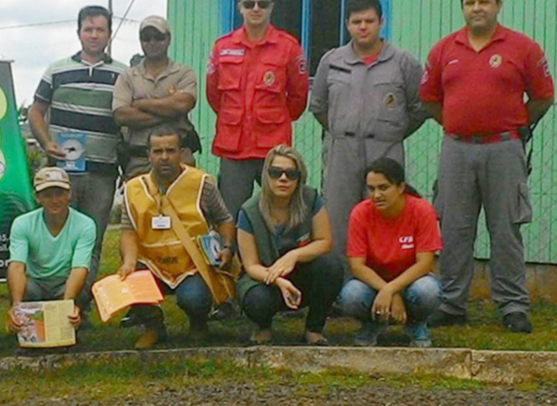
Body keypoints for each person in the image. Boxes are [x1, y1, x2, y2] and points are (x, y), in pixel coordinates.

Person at [419, 0, 554, 333]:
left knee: (506, 228)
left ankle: (512, 305)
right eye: (470, 2)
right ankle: (451, 303)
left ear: (498, 5)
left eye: (484, 1)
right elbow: (430, 99)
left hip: (504, 149)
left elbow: (543, 96)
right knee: (453, 228)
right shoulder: (444, 50)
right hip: (457, 151)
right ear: (462, 7)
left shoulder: (523, 48)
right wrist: (457, 122)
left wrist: (517, 126)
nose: (476, 8)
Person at [310, 0, 427, 260]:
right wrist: (342, 129)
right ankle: (341, 292)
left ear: (381, 22)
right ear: (347, 25)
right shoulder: (332, 60)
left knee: (385, 217)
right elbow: (318, 107)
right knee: (340, 219)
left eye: (369, 21)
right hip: (342, 150)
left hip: (386, 150)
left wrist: (393, 132)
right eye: (356, 21)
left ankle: (382, 289)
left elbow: (420, 108)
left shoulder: (403, 62)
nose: (363, 27)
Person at [28, 6, 127, 309]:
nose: (94, 35)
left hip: (103, 171)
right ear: (78, 32)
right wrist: (46, 143)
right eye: (88, 29)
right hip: (63, 171)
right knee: (57, 235)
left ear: (109, 34)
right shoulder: (56, 69)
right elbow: (35, 111)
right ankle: (50, 300)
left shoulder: (123, 74)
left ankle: (77, 307)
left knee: (92, 239)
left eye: (100, 29)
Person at [118, 126, 236, 349]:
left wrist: (227, 247)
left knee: (195, 299)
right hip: (151, 263)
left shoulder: (202, 183)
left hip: (191, 264)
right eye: (158, 151)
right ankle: (154, 327)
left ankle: (199, 324)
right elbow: (128, 230)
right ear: (148, 155)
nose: (164, 157)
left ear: (181, 153)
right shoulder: (133, 189)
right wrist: (129, 263)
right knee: (129, 280)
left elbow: (225, 219)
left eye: (170, 151)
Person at [206, 0, 309, 218]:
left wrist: (277, 118)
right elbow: (214, 96)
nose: (256, 9)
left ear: (271, 7)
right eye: (249, 3)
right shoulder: (223, 47)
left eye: (262, 3)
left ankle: (280, 256)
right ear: (240, 7)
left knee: (281, 211)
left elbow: (298, 97)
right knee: (229, 215)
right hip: (234, 148)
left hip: (273, 147)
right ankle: (232, 255)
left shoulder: (288, 47)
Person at [237, 145, 344, 345]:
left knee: (331, 266)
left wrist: (293, 256)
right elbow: (251, 265)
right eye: (276, 172)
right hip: (265, 278)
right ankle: (263, 327)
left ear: (299, 177)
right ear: (266, 175)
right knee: (257, 301)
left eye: (291, 173)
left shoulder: (311, 198)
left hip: (301, 272)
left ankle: (314, 329)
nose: (283, 179)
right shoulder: (248, 211)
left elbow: (325, 241)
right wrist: (278, 280)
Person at [338, 158, 442, 348]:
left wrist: (391, 289)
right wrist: (387, 291)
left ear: (400, 187)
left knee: (428, 291)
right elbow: (357, 265)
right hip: (373, 285)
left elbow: (425, 263)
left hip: (412, 283)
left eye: (383, 187)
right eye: (371, 189)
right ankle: (372, 323)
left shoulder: (422, 210)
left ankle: (416, 323)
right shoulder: (360, 213)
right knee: (351, 295)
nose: (376, 195)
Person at [5, 167, 92, 334]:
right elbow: (17, 266)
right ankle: (21, 323)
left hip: (64, 282)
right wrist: (17, 305)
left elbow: (79, 268)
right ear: (37, 197)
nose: (54, 200)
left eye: (59, 193)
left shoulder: (85, 225)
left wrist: (67, 304)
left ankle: (73, 320)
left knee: (86, 285)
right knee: (23, 287)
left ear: (69, 194)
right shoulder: (22, 223)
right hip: (35, 283)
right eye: (47, 195)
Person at [113, 15, 200, 178]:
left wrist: (140, 104)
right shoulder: (127, 76)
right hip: (138, 158)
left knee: (183, 202)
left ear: (168, 39)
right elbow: (121, 115)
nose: (152, 42)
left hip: (180, 158)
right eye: (146, 38)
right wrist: (170, 113)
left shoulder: (184, 72)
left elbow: (183, 104)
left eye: (158, 37)